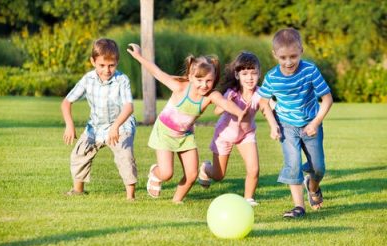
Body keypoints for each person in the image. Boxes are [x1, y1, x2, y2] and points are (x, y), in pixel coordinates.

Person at [127, 43, 247, 203]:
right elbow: (157, 72)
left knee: (191, 175)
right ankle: (156, 173)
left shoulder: (211, 96)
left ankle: (176, 201)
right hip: (164, 133)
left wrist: (239, 112)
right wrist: (139, 56)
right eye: (199, 80)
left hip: (185, 136)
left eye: (208, 81)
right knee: (167, 173)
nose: (204, 85)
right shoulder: (179, 87)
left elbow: (224, 103)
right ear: (190, 77)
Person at [258, 28, 333, 218]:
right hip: (286, 126)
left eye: (293, 56)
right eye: (283, 57)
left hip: (310, 125)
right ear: (275, 55)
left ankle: (312, 186)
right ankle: (299, 207)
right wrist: (273, 125)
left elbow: (327, 99)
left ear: (301, 51)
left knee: (318, 168)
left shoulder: (310, 70)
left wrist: (315, 123)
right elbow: (263, 102)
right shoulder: (272, 77)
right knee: (293, 164)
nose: (289, 62)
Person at [198, 51, 280, 206]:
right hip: (224, 135)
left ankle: (248, 199)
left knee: (254, 169)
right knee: (219, 175)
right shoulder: (232, 93)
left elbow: (266, 108)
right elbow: (216, 111)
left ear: (259, 73)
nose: (249, 78)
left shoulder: (260, 93)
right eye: (245, 74)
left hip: (246, 135)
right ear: (237, 75)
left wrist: (273, 125)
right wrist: (225, 104)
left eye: (253, 73)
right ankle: (205, 168)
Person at [61, 38, 137, 200]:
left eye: (111, 65)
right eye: (102, 65)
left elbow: (129, 107)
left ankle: (130, 196)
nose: (107, 70)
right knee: (80, 153)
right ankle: (78, 190)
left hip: (121, 125)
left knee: (125, 156)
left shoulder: (122, 80)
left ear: (117, 62)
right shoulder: (88, 79)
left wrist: (116, 126)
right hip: (95, 127)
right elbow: (66, 102)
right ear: (93, 61)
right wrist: (69, 124)